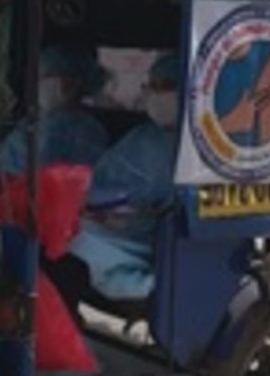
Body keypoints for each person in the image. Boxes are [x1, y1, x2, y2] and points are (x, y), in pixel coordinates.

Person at [49, 52, 180, 314]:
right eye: (151, 87)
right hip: (106, 221)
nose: (155, 95)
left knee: (67, 245)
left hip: (133, 235)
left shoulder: (190, 152)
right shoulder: (144, 135)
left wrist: (105, 209)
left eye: (165, 87)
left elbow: (158, 205)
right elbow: (103, 176)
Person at [0, 44, 110, 173]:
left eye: (46, 76)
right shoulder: (32, 122)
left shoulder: (86, 131)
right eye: (37, 78)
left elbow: (79, 178)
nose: (39, 85)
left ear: (72, 83)